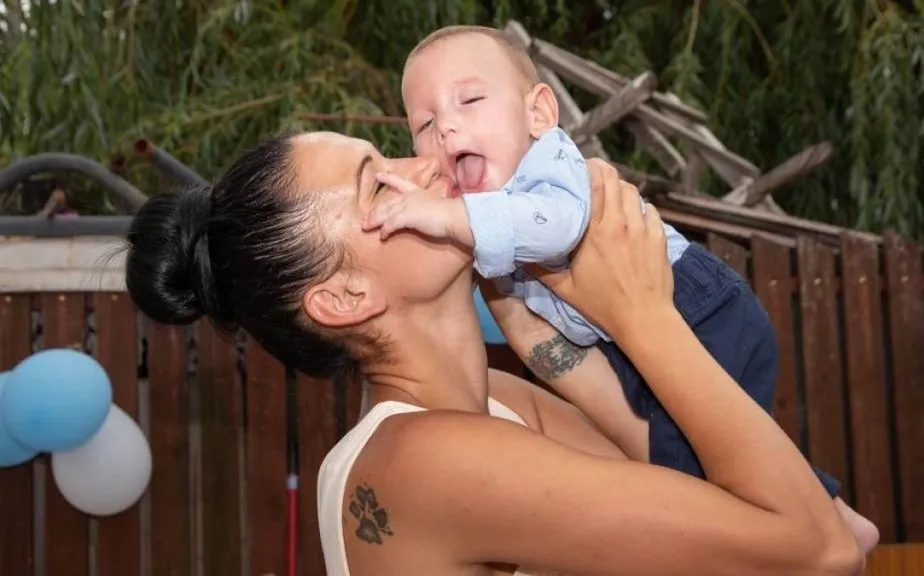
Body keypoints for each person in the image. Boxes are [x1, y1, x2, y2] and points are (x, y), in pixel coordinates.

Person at [124, 131, 864, 575]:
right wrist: (644, 319)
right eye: (377, 183)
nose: (426, 165)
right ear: (344, 297)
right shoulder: (421, 460)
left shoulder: (501, 406)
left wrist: (551, 344)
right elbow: (817, 553)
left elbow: (725, 500)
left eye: (394, 152)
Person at [367, 24, 879, 552]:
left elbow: (557, 227)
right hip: (627, 339)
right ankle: (834, 514)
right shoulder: (492, 200)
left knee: (684, 478)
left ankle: (780, 544)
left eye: (470, 100)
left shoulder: (548, 168)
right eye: (425, 124)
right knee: (719, 445)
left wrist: (452, 216)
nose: (447, 127)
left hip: (697, 310)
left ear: (538, 113)